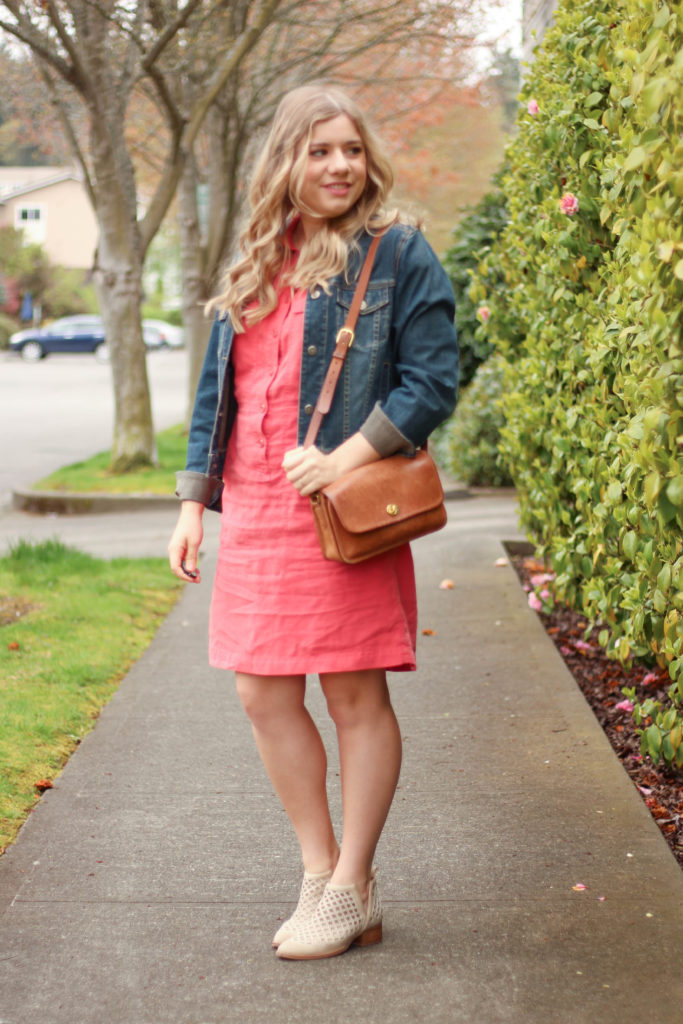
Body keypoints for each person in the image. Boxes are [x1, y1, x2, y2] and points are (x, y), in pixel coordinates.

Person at [168, 83, 458, 961]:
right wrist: (192, 504)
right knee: (261, 692)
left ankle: (351, 882)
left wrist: (345, 457)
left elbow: (431, 381)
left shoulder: (398, 253)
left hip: (340, 509)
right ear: (285, 161)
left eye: (351, 149)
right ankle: (320, 868)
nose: (339, 165)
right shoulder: (255, 259)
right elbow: (218, 394)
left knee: (353, 693)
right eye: (319, 149)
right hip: (257, 508)